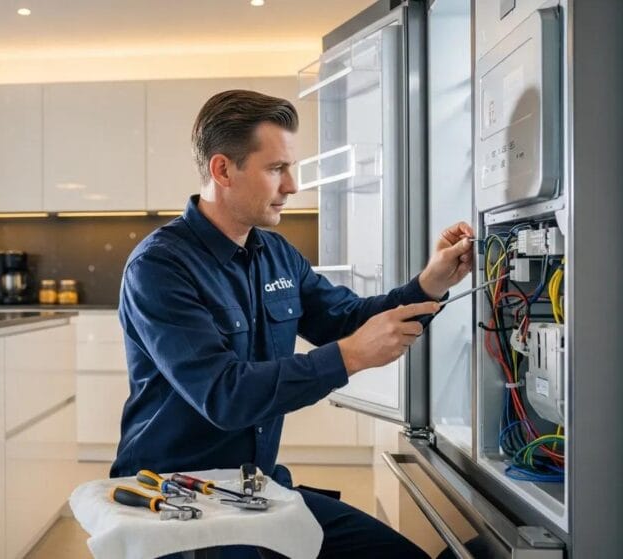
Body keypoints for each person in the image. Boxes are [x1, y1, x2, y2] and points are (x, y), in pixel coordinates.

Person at [111, 89, 474, 558]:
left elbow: (344, 318)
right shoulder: (160, 267)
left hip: (254, 491)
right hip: (174, 501)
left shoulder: (276, 254)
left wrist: (428, 283)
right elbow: (226, 395)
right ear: (223, 170)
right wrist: (349, 356)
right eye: (276, 169)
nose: (293, 186)